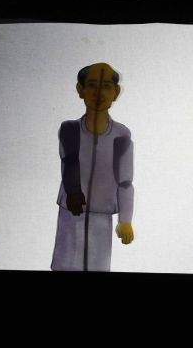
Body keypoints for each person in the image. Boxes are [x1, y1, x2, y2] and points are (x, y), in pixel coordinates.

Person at [51, 63, 134, 271]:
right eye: (92, 85)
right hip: (71, 210)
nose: (99, 93)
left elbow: (125, 180)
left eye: (106, 86)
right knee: (65, 264)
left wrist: (125, 220)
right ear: (80, 90)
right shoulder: (69, 129)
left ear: (116, 92)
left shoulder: (121, 135)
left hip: (102, 213)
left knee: (98, 266)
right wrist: (73, 191)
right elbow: (69, 160)